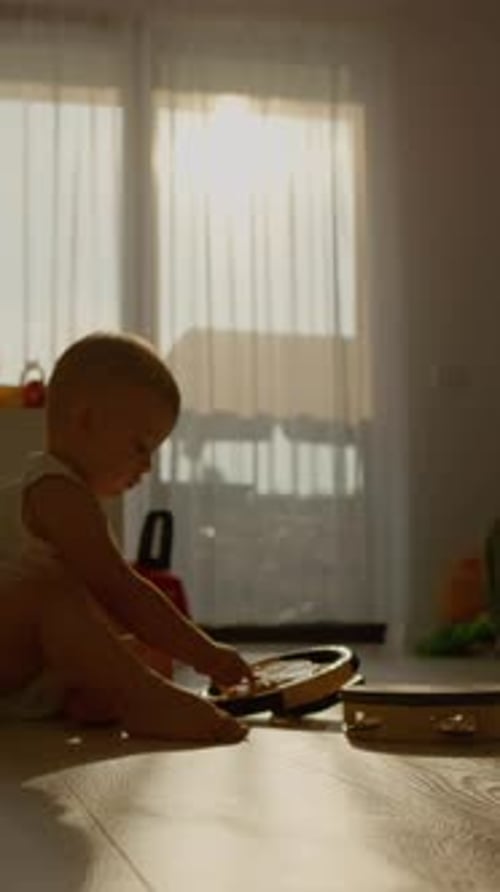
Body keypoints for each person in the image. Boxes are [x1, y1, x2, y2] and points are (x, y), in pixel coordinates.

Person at [0, 332, 253, 744]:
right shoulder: (54, 490)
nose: (147, 466)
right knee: (49, 592)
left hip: (25, 660)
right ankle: (141, 701)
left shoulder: (77, 500)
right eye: (141, 446)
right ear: (85, 420)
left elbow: (100, 610)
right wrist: (205, 653)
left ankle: (94, 696)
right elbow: (121, 591)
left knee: (148, 652)